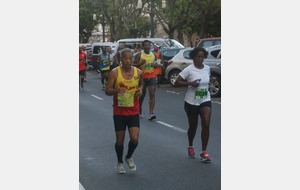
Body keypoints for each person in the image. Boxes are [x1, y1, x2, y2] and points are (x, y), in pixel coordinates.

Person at [105, 48, 143, 174]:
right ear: (121, 60)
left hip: (133, 110)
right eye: (125, 58)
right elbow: (107, 90)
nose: (128, 61)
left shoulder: (139, 72)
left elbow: (141, 85)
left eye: (130, 58)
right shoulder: (115, 73)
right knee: (120, 140)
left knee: (134, 139)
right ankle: (120, 162)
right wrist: (116, 91)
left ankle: (128, 157)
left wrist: (140, 90)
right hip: (119, 112)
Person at [174, 47, 212, 162]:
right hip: (191, 101)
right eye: (198, 57)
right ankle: (190, 145)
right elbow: (176, 82)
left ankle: (204, 151)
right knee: (193, 126)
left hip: (205, 99)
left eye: (202, 57)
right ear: (193, 57)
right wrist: (191, 83)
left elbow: (207, 80)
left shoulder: (207, 68)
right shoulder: (188, 70)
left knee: (205, 123)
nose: (200, 59)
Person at [133, 40, 157, 120]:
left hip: (152, 76)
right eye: (146, 45)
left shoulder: (153, 55)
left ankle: (151, 113)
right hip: (142, 77)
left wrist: (155, 65)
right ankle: (139, 110)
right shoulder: (139, 55)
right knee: (142, 95)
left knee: (152, 94)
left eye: (148, 45)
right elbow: (133, 66)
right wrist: (140, 64)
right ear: (143, 47)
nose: (147, 46)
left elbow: (156, 64)